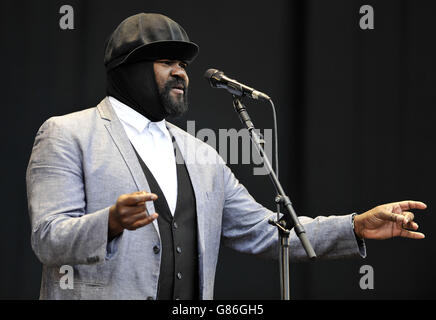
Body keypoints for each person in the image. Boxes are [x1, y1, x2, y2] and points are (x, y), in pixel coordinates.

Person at [26, 13, 427, 300]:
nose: (180, 72)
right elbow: (48, 239)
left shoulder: (201, 154)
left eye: (183, 64)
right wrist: (110, 222)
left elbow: (268, 232)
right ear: (126, 69)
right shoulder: (67, 133)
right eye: (166, 62)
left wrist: (355, 226)